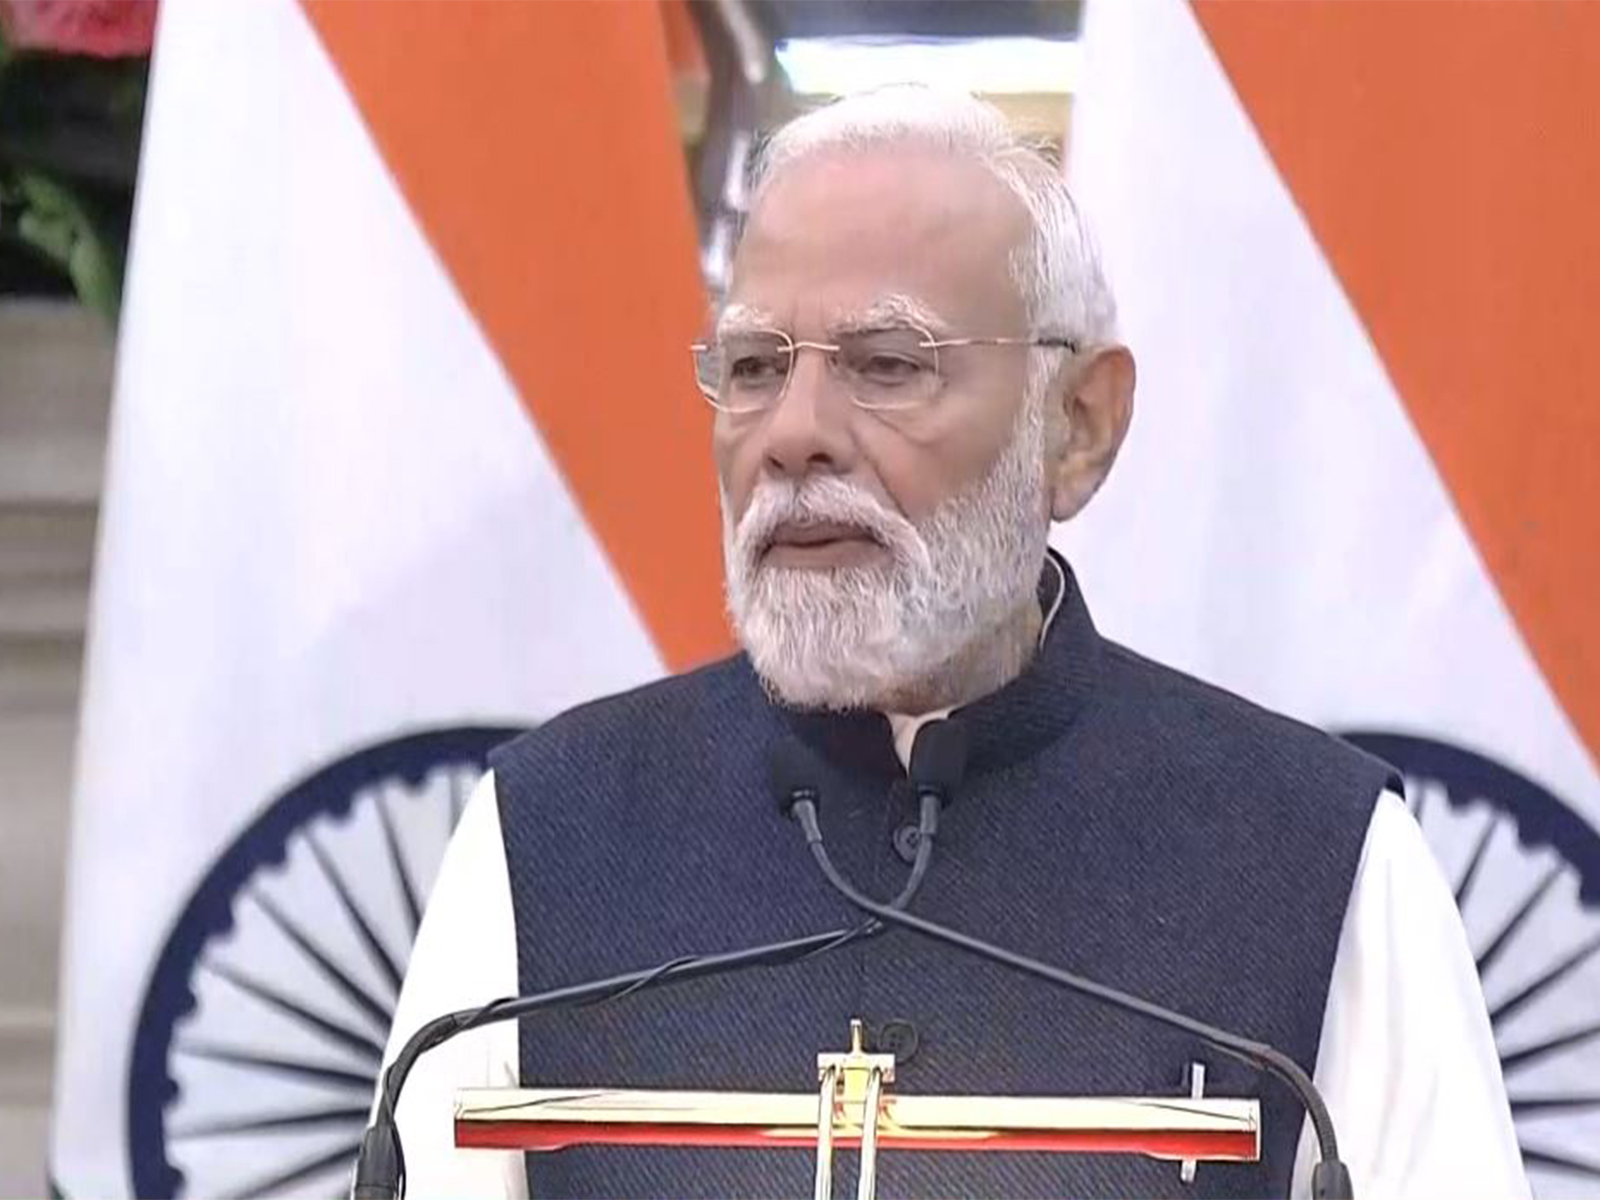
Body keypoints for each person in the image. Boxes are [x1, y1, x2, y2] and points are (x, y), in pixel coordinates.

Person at [379, 87, 1526, 1199]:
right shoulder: (549, 830)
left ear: (1075, 427)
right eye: (754, 368)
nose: (792, 437)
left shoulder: (1316, 853)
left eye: (887, 364)